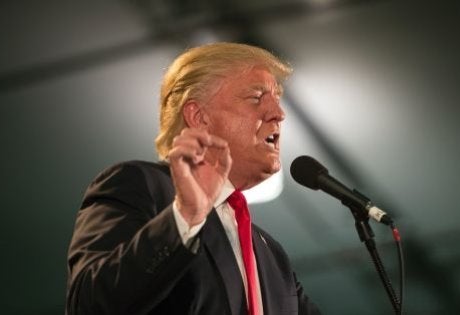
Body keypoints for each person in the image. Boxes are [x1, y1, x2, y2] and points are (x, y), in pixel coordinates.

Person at [66, 42, 321, 315]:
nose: (279, 114)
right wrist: (186, 216)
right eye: (256, 97)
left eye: (277, 98)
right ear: (199, 117)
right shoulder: (139, 185)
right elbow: (89, 304)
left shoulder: (274, 256)